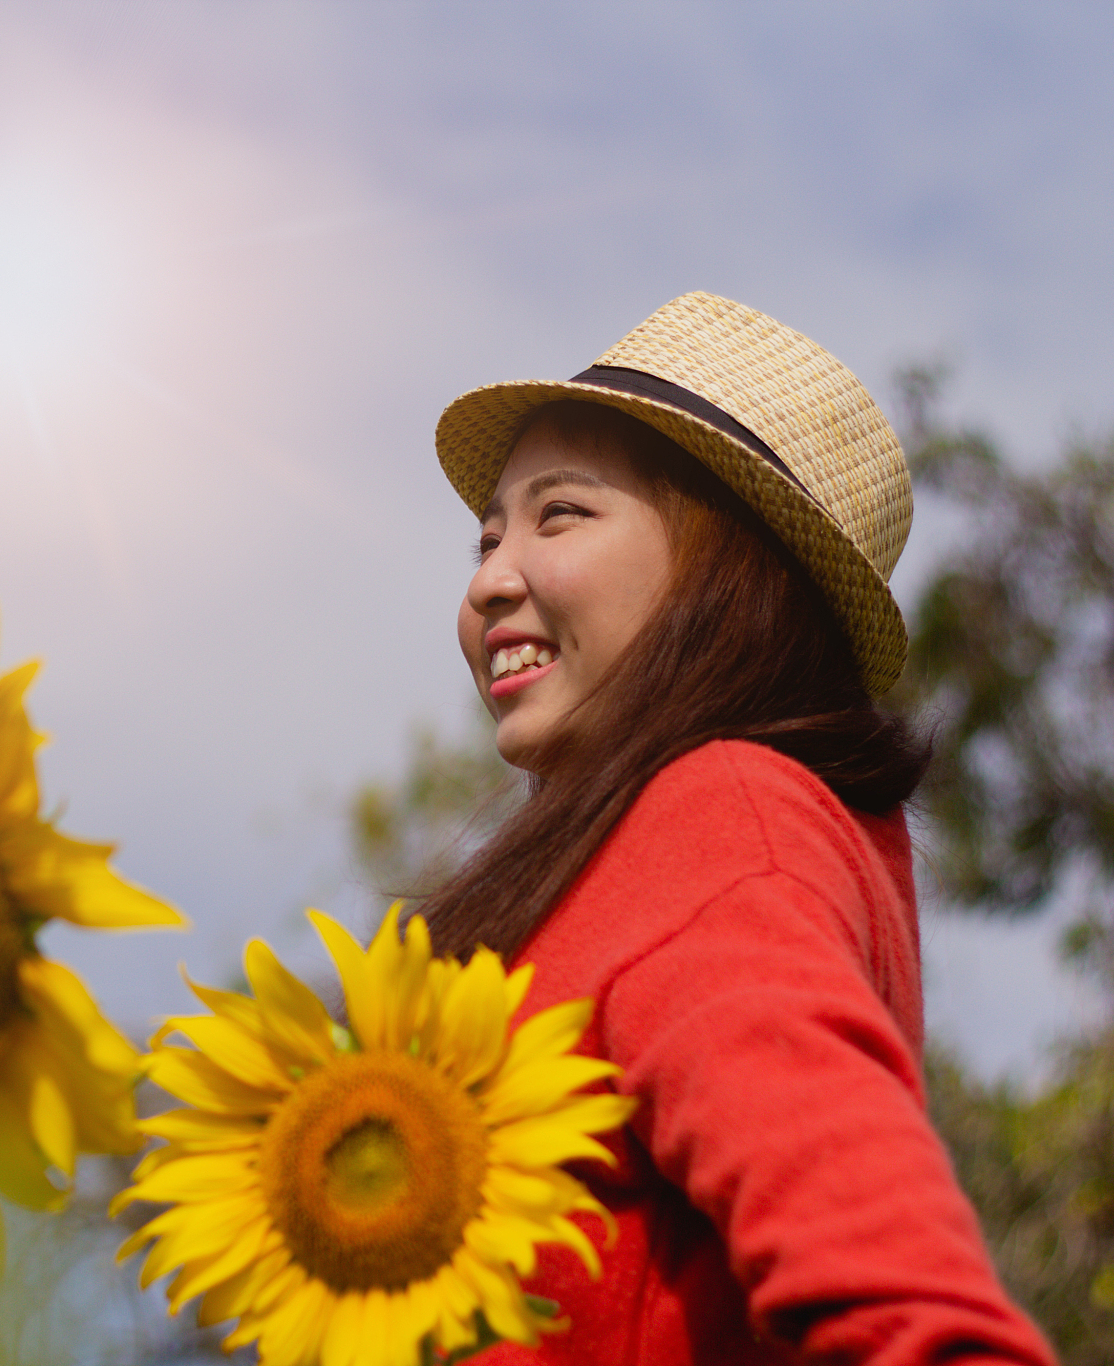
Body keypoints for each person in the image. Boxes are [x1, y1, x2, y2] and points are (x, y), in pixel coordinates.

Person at [425, 293, 1057, 1365]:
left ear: (724, 562)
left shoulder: (719, 819)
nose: (488, 579)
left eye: (558, 514)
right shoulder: (709, 832)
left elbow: (904, 1300)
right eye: (487, 534)